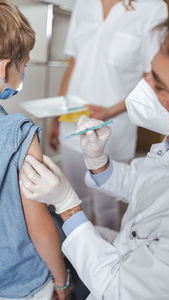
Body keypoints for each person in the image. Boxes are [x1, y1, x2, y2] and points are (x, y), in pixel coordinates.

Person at [20, 6, 169, 299]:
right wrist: (99, 161)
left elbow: (118, 289)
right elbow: (143, 184)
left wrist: (68, 206)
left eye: (159, 84)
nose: (143, 88)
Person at [48, 0, 168, 229]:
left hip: (114, 128)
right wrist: (57, 115)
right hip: (72, 122)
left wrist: (109, 111)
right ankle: (75, 262)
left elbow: (151, 77)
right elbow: (74, 62)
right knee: (72, 198)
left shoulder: (153, 7)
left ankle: (109, 259)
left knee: (106, 205)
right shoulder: (85, 3)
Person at [0, 1, 72, 299]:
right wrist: (61, 281)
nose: (24, 72)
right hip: (22, 281)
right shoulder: (19, 132)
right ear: (6, 68)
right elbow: (38, 224)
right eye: (25, 65)